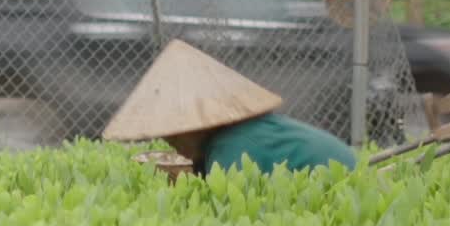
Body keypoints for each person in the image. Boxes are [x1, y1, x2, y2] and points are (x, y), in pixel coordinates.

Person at [103, 39, 357, 176]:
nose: (171, 143)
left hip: (342, 181)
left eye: (173, 134)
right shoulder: (239, 135)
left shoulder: (232, 145)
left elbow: (226, 206)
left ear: (195, 127)